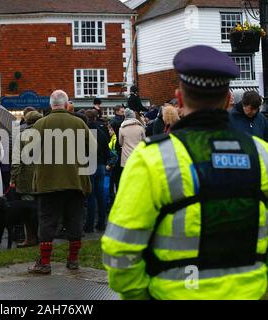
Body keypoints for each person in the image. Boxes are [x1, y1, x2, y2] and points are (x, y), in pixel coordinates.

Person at [102, 45, 268, 300]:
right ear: (228, 100)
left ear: (179, 100)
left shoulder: (152, 158)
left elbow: (120, 249)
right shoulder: (262, 155)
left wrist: (138, 295)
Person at [28, 90, 93, 274]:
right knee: (75, 220)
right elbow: (91, 148)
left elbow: (30, 153)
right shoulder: (79, 123)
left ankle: (45, 262)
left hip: (48, 182)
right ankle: (73, 260)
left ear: (51, 105)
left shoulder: (40, 124)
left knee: (47, 222)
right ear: (66, 105)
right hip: (75, 181)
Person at [10, 110, 43, 247]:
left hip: (26, 179)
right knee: (42, 210)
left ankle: (31, 238)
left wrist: (13, 178)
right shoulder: (47, 135)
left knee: (28, 212)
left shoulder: (22, 136)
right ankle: (42, 237)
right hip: (43, 177)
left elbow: (16, 160)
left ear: (27, 121)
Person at [84, 110, 110, 233]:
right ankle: (101, 223)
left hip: (89, 165)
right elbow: (107, 151)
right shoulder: (102, 132)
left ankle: (89, 225)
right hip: (100, 165)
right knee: (100, 196)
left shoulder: (84, 133)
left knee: (90, 196)